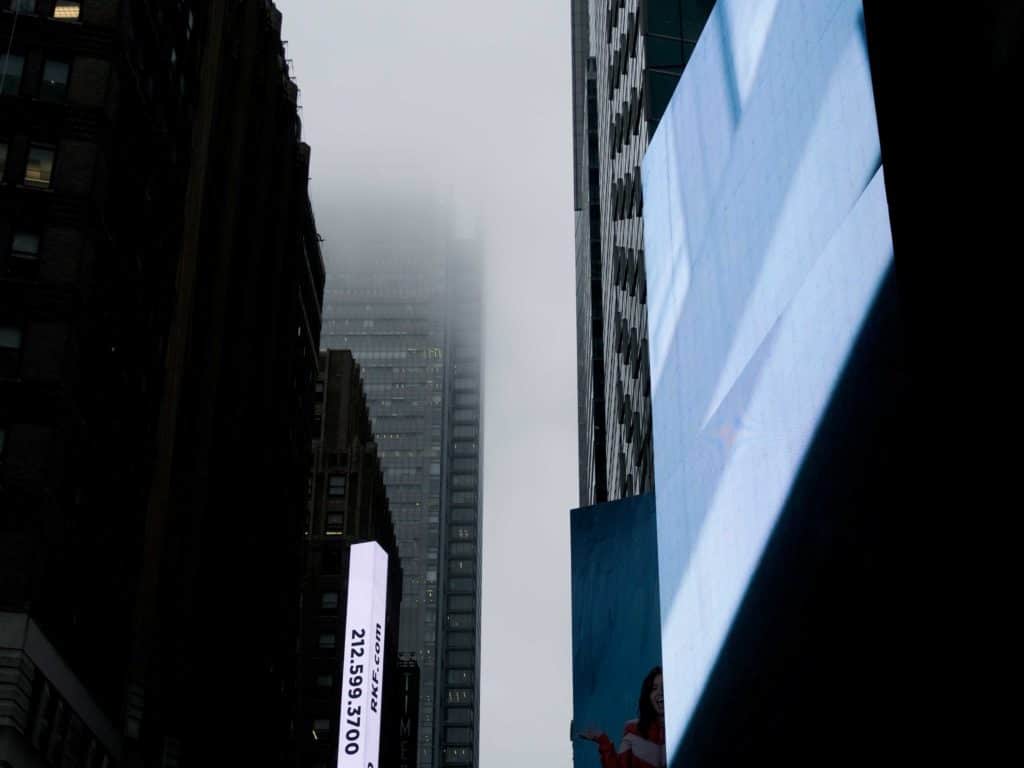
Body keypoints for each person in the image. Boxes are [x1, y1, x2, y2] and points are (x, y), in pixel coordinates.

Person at [579, 666, 667, 768]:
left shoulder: (686, 732)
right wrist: (603, 740)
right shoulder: (633, 730)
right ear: (648, 695)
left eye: (665, 686)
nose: (660, 692)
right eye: (654, 688)